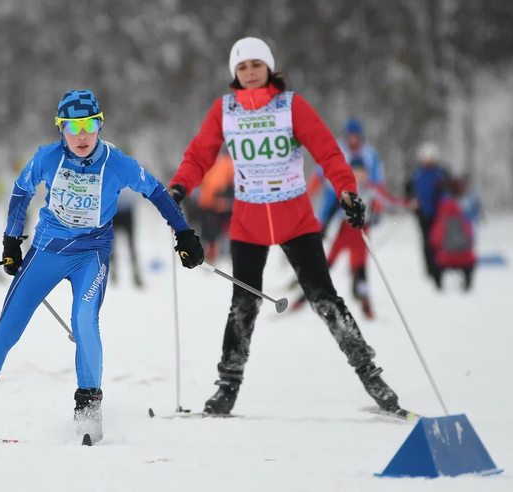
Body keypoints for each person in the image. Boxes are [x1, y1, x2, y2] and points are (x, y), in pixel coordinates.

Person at [0, 90, 204, 445]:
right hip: (47, 250)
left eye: (89, 125)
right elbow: (21, 192)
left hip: (91, 254)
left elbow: (157, 192)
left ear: (100, 125)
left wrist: (184, 233)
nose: (82, 135)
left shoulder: (117, 162)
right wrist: (11, 241)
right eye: (73, 127)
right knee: (9, 325)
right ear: (61, 129)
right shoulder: (47, 157)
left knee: (84, 320)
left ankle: (88, 407)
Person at [168, 37, 406, 417]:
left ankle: (371, 376)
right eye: (242, 68)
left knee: (325, 300)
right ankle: (227, 386)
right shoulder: (224, 110)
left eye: (255, 65)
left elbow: (328, 151)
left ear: (269, 68)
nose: (249, 73)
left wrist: (347, 190)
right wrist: (179, 187)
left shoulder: (290, 105)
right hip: (248, 222)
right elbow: (200, 154)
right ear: (235, 73)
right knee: (242, 305)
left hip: (295, 218)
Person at [293, 157, 411, 319]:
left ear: (365, 172)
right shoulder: (345, 188)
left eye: (361, 171)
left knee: (360, 270)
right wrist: (323, 226)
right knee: (326, 265)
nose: (358, 175)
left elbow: (390, 200)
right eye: (355, 171)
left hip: (361, 233)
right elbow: (332, 207)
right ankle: (301, 300)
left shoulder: (371, 188)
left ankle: (366, 308)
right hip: (344, 231)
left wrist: (408, 204)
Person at [308, 118, 385, 234]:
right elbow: (320, 172)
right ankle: (318, 233)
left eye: (356, 136)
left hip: (360, 192)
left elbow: (377, 180)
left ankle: (359, 239)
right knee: (324, 215)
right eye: (350, 136)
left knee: (360, 220)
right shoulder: (337, 148)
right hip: (336, 191)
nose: (353, 140)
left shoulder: (369, 153)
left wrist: (378, 205)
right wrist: (309, 194)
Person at [405, 141, 449, 282]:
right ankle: (429, 270)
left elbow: (449, 190)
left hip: (439, 216)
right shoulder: (417, 174)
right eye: (426, 157)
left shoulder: (441, 173)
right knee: (426, 243)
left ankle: (440, 270)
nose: (428, 160)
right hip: (423, 216)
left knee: (439, 243)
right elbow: (409, 191)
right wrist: (412, 202)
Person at [429, 180, 476, 291]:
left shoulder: (441, 221)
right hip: (465, 258)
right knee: (469, 261)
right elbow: (471, 238)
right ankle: (468, 284)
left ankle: (438, 285)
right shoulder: (464, 220)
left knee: (436, 260)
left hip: (446, 258)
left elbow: (434, 240)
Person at [197, 149, 234, 263]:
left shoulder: (220, 163)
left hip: (213, 204)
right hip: (214, 204)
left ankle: (217, 252)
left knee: (213, 231)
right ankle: (215, 253)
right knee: (214, 230)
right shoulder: (226, 162)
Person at [110, 187, 144, 287]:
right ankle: (113, 272)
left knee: (131, 244)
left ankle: (136, 273)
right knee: (112, 244)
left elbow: (136, 193)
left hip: (127, 211)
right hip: (114, 212)